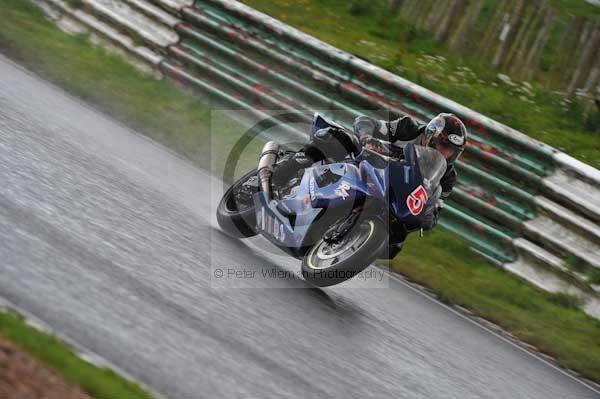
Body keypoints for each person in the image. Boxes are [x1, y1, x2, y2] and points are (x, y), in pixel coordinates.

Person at [273, 113, 468, 257]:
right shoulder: (408, 128)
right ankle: (279, 173)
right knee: (334, 136)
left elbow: (435, 207)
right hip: (367, 163)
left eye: (452, 151)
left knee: (394, 243)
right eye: (443, 146)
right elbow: (367, 122)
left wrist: (428, 217)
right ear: (431, 135)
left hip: (391, 195)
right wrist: (367, 137)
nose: (445, 154)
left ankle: (337, 232)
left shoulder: (447, 177)